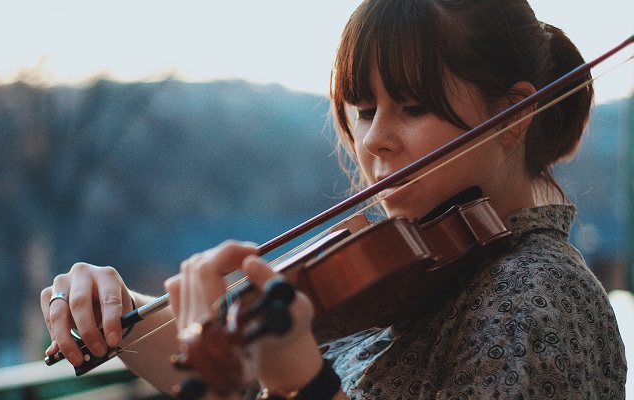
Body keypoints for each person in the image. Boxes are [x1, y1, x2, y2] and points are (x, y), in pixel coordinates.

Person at [40, 0, 628, 398]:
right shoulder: (421, 266)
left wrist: (304, 383)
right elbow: (249, 371)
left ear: (511, 114)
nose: (374, 139)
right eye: (365, 110)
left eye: (412, 107)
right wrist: (121, 312)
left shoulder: (537, 298)